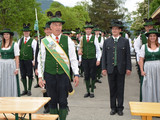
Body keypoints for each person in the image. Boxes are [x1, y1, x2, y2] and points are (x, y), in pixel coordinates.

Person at [38, 11, 79, 120]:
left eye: (60, 25)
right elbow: (41, 60)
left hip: (63, 75)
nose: (58, 27)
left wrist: (76, 73)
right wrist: (40, 77)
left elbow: (73, 58)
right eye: (55, 25)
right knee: (52, 101)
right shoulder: (45, 41)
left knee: (63, 101)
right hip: (49, 75)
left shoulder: (68, 40)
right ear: (50, 27)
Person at [101, 20, 131, 116]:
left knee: (120, 89)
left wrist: (128, 68)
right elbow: (104, 56)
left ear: (120, 30)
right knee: (112, 89)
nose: (114, 30)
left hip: (121, 69)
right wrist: (103, 68)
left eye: (116, 29)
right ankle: (113, 108)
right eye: (113, 29)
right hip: (110, 68)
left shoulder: (125, 41)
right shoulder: (107, 41)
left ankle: (120, 108)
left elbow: (128, 56)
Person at [78, 22, 101, 98]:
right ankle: (87, 91)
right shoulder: (82, 38)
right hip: (85, 59)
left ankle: (92, 91)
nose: (88, 31)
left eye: (89, 29)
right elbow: (80, 48)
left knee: (93, 74)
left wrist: (98, 59)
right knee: (86, 75)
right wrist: (80, 59)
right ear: (85, 30)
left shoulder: (95, 38)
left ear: (91, 30)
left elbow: (98, 50)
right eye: (86, 29)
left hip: (92, 59)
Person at [35, 23, 52, 113]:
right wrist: (36, 68)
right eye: (46, 29)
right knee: (44, 88)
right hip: (43, 66)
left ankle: (52, 105)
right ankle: (46, 106)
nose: (48, 31)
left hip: (51, 67)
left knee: (52, 88)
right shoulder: (41, 40)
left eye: (49, 29)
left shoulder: (53, 40)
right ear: (45, 30)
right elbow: (37, 54)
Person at [139, 29, 160, 102]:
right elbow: (141, 60)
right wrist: (141, 70)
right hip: (148, 68)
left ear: (156, 37)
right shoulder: (144, 47)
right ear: (148, 37)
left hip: (158, 69)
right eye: (151, 36)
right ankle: (149, 104)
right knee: (149, 86)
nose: (152, 37)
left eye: (154, 36)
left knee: (158, 85)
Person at [18, 23, 37, 96]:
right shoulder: (20, 40)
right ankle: (25, 89)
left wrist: (34, 61)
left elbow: (35, 52)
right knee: (22, 75)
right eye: (25, 32)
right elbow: (18, 50)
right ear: (23, 32)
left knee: (29, 75)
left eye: (27, 32)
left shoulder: (33, 41)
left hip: (29, 60)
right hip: (22, 60)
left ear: (29, 32)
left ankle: (29, 89)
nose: (26, 33)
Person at [0, 28, 20, 97]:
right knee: (2, 81)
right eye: (4, 34)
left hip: (11, 64)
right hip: (2, 65)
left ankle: (11, 96)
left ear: (10, 35)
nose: (6, 36)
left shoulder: (15, 44)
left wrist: (17, 68)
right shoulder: (0, 44)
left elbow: (17, 57)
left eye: (7, 34)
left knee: (10, 81)